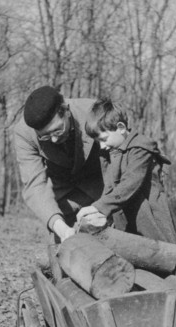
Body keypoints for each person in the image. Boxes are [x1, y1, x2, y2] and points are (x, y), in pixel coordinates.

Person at [77, 98, 176, 248]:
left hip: (150, 213)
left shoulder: (141, 148)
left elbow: (129, 184)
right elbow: (109, 187)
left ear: (121, 127)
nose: (101, 146)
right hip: (125, 214)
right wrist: (100, 211)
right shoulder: (110, 151)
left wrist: (98, 207)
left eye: (104, 138)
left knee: (163, 254)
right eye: (98, 141)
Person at [14, 86, 107, 242]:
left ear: (66, 111)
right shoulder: (24, 133)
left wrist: (106, 206)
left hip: (101, 191)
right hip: (63, 201)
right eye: (45, 136)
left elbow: (118, 164)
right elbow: (35, 185)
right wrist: (61, 228)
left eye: (57, 130)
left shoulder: (95, 113)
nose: (54, 140)